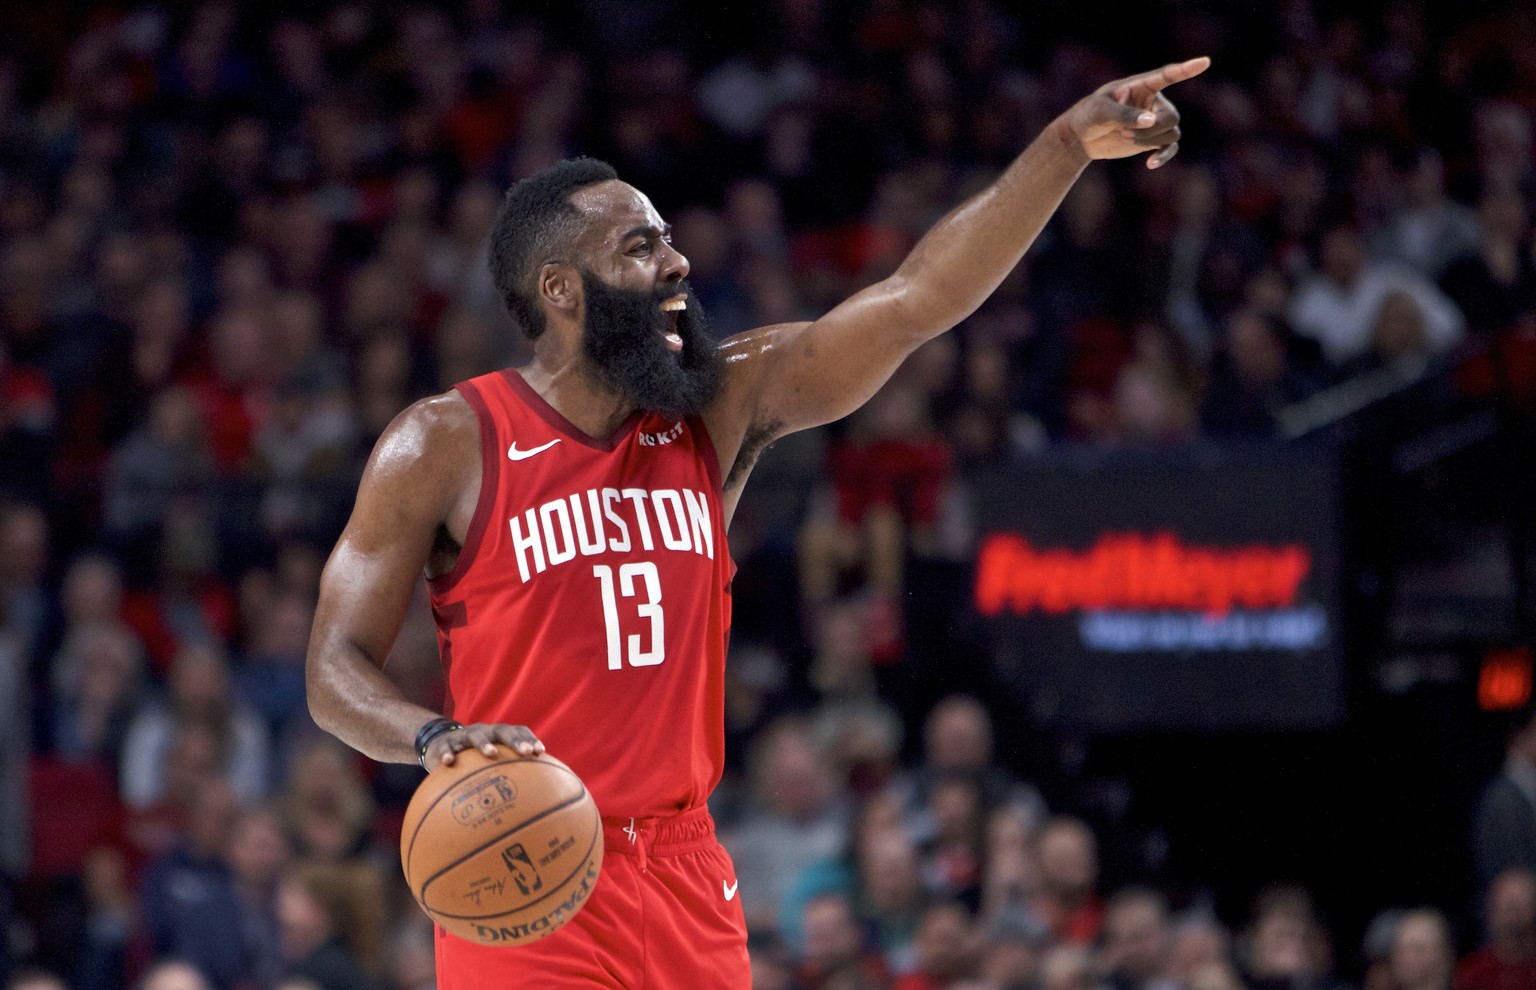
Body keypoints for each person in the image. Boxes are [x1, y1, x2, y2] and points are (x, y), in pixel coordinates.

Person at [306, 56, 1208, 989]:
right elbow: (333, 669)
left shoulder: (719, 406)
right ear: (561, 289)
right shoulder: (446, 441)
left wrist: (1064, 147)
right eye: (640, 248)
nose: (678, 263)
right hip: (523, 865)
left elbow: (916, 303)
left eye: (667, 240)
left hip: (690, 871)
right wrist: (427, 737)